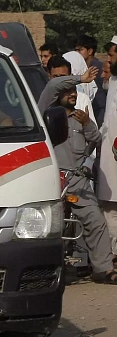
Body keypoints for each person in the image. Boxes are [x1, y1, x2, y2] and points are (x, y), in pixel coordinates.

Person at [38, 75, 117, 284]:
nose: (73, 93)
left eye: (75, 90)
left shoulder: (80, 117)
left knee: (96, 220)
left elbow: (96, 139)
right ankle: (47, 271)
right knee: (51, 226)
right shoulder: (45, 112)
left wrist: (88, 123)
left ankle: (103, 269)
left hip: (77, 180)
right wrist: (81, 78)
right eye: (68, 91)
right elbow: (53, 84)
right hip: (53, 180)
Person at [97, 36, 117, 266]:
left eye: (111, 55)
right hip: (109, 158)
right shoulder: (112, 82)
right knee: (110, 207)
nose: (108, 62)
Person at [47, 56, 98, 126]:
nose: (60, 82)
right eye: (56, 77)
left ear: (70, 76)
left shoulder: (81, 99)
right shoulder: (44, 98)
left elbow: (93, 132)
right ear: (49, 75)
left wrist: (86, 123)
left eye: (63, 77)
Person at [75, 35, 106, 127]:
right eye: (75, 50)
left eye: (80, 50)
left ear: (90, 51)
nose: (77, 53)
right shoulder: (80, 68)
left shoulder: (98, 67)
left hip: (99, 112)